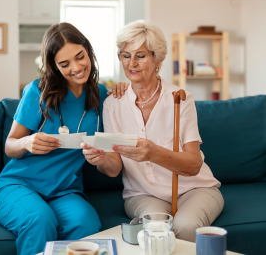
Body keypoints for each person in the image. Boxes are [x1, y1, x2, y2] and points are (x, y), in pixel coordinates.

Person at [0, 22, 128, 255]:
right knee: (38, 219)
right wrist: (27, 142)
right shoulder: (38, 92)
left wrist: (125, 89)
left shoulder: (103, 96)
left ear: (88, 51)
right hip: (18, 185)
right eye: (64, 64)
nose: (76, 67)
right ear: (54, 67)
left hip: (65, 191)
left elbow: (113, 165)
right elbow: (10, 147)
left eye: (80, 56)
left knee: (86, 223)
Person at [83, 20, 224, 242]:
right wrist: (100, 159)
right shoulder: (113, 104)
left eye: (141, 56)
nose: (132, 63)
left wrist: (153, 153)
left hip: (195, 189)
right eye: (125, 55)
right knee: (156, 229)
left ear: (157, 58)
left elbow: (194, 164)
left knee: (185, 226)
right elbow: (113, 169)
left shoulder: (180, 99)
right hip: (143, 194)